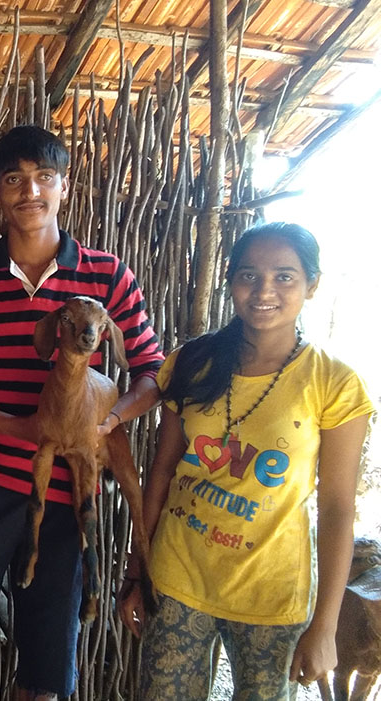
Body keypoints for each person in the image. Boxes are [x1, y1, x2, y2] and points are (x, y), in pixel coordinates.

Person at [0, 124, 166, 701]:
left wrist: (107, 421)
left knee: (48, 671)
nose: (31, 192)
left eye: (44, 178)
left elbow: (152, 372)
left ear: (64, 186)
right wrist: (10, 426)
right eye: (14, 180)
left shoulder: (107, 276)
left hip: (64, 502)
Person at [118, 222, 373, 700]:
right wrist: (138, 571)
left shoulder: (335, 384)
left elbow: (338, 507)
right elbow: (164, 472)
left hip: (272, 594)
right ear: (230, 280)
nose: (264, 291)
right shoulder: (193, 362)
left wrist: (326, 624)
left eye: (284, 277)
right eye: (249, 276)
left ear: (311, 285)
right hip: (178, 579)